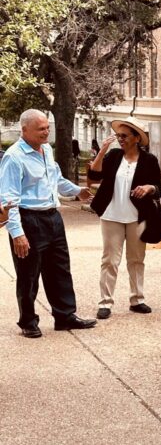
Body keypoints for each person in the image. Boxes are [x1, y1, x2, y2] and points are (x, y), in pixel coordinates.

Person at [0, 109, 96, 338]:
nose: (46, 132)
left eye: (47, 128)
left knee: (60, 270)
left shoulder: (47, 150)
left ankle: (65, 316)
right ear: (24, 131)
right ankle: (28, 321)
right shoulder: (14, 157)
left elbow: (56, 178)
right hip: (29, 219)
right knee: (28, 274)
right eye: (41, 129)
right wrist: (17, 234)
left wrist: (76, 191)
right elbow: (8, 199)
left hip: (53, 217)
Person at [87, 117, 161, 320]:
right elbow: (94, 175)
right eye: (118, 136)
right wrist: (102, 150)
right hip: (112, 215)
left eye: (124, 136)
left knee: (136, 259)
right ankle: (105, 302)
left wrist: (149, 188)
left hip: (137, 217)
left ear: (137, 138)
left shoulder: (149, 160)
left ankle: (137, 299)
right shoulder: (113, 155)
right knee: (110, 261)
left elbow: (159, 189)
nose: (120, 139)